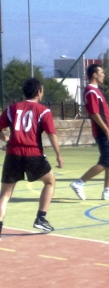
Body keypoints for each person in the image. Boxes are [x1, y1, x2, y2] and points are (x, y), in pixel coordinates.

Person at [0, 78, 64, 239]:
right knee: (50, 182)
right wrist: (58, 154)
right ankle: (41, 218)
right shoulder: (43, 111)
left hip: (13, 153)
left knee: (5, 194)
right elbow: (51, 134)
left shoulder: (12, 108)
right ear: (38, 92)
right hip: (33, 153)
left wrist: (6, 139)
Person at [70, 64, 109, 201]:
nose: (104, 75)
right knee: (105, 161)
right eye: (101, 72)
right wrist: (106, 130)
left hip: (107, 131)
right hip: (102, 132)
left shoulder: (96, 91)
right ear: (94, 74)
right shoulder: (91, 91)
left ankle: (107, 191)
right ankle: (79, 183)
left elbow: (104, 113)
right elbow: (94, 113)